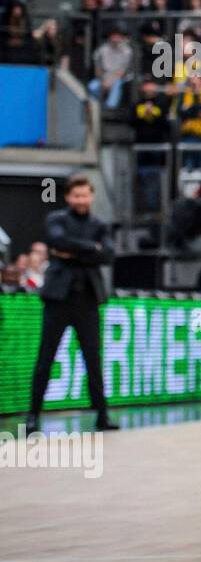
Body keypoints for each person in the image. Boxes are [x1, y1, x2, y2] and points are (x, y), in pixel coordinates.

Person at [27, 174, 118, 433]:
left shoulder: (100, 225)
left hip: (87, 301)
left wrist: (74, 253)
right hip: (58, 299)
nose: (80, 200)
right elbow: (58, 242)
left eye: (85, 195)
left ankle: (102, 415)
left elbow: (108, 255)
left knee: (93, 360)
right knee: (45, 358)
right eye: (76, 195)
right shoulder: (56, 219)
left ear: (91, 196)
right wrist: (92, 249)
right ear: (68, 196)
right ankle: (33, 416)